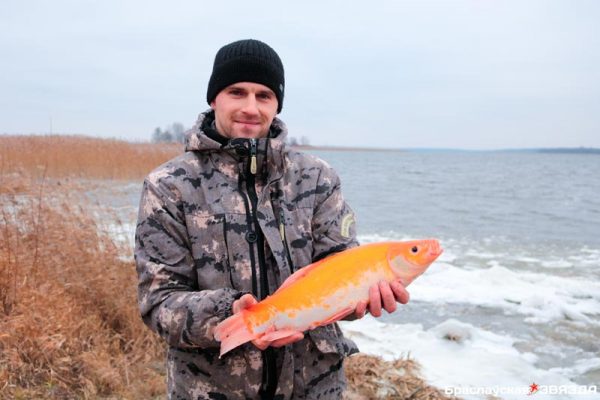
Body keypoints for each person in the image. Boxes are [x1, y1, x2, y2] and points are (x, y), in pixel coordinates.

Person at [134, 39, 409, 400]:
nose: (250, 107)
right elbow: (159, 302)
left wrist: (364, 298)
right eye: (237, 92)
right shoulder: (169, 186)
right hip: (210, 390)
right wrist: (231, 314)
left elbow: (338, 271)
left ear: (277, 104)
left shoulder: (317, 178)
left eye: (264, 95)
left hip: (314, 387)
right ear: (214, 98)